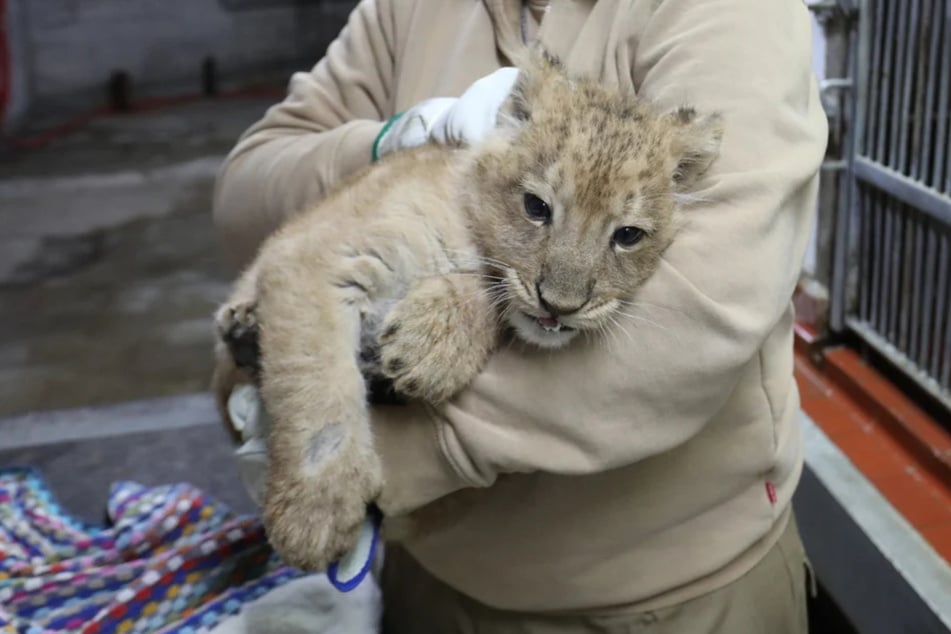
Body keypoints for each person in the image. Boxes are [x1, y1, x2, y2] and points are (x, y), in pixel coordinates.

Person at [211, 0, 828, 631]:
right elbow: (245, 192)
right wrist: (391, 142)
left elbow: (702, 319)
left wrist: (372, 460)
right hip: (425, 570)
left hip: (660, 596)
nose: (562, 295)